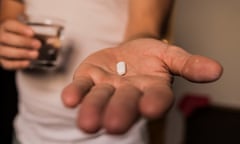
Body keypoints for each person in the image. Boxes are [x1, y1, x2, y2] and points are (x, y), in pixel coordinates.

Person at [0, 0, 223, 144]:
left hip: (111, 135)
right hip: (28, 129)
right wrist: (8, 37)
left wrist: (139, 43)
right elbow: (11, 12)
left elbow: (145, 24)